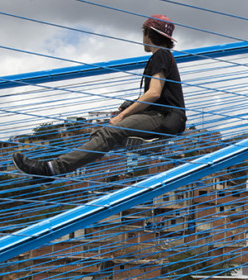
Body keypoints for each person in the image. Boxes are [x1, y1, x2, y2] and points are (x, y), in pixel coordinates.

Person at [13, 14, 187, 178]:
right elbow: (161, 94)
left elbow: (154, 93)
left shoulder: (161, 55)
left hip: (162, 116)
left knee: (109, 133)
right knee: (101, 134)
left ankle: (52, 169)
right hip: (162, 115)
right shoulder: (164, 56)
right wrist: (129, 106)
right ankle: (147, 142)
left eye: (144, 32)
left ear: (149, 33)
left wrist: (122, 115)